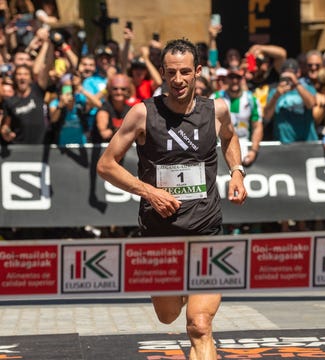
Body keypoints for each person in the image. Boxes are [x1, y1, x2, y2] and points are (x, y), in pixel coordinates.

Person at [97, 38, 247, 360]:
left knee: (199, 324)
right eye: (171, 73)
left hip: (206, 232)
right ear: (162, 73)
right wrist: (148, 190)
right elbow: (106, 165)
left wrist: (236, 170)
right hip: (160, 235)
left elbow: (230, 136)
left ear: (197, 72)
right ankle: (180, 290)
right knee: (168, 316)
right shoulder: (142, 114)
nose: (178, 80)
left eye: (185, 73)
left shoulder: (216, 109)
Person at [210, 67, 263, 166]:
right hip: (220, 145)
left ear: (242, 79)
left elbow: (257, 127)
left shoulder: (252, 99)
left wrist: (254, 150)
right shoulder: (215, 98)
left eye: (238, 77)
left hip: (244, 143)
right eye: (231, 77)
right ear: (226, 80)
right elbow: (208, 126)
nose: (234, 81)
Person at [264, 58, 317, 143]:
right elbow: (266, 116)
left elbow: (311, 104)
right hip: (283, 143)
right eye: (286, 73)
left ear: (298, 73)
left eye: (292, 72)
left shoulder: (308, 88)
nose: (289, 77)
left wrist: (296, 83)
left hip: (307, 142)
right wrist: (276, 96)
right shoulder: (275, 92)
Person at [92, 73, 133, 143]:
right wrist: (104, 130)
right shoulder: (104, 108)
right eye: (115, 89)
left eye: (123, 89)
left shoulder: (130, 110)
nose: (119, 92)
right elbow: (103, 132)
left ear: (128, 91)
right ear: (109, 90)